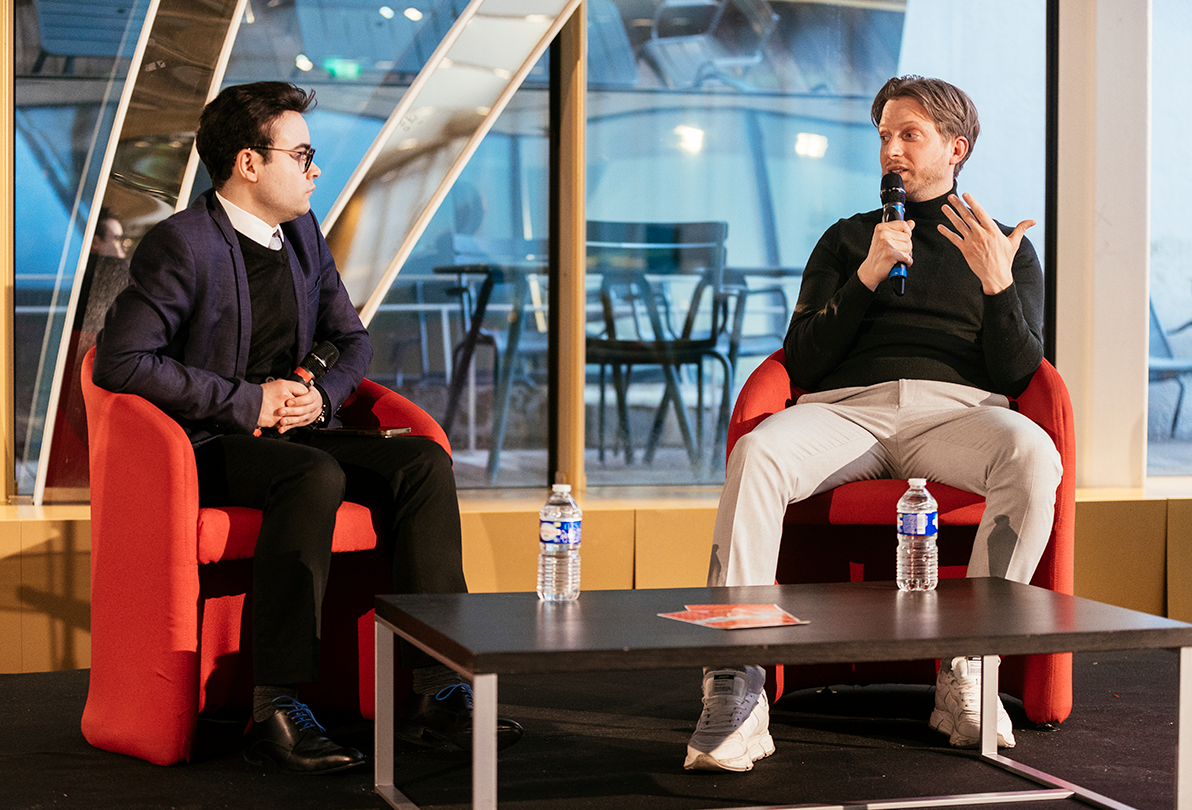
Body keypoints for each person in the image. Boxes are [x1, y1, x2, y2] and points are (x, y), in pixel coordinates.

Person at [92, 81, 521, 775]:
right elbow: (122, 362)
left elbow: (353, 342)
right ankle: (274, 710)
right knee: (312, 473)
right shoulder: (182, 245)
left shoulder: (301, 234)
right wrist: (246, 402)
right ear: (249, 164)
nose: (316, 169)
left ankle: (435, 689)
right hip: (207, 444)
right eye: (303, 154)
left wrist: (318, 397)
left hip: (298, 429)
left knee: (422, 465)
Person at [684, 75, 1064, 773]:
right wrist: (866, 276)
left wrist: (998, 286)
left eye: (908, 135)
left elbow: (1018, 375)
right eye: (884, 135)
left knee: (1035, 456)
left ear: (956, 147)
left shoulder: (1003, 244)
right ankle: (736, 680)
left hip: (955, 413)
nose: (891, 149)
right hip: (846, 411)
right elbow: (801, 359)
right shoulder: (847, 239)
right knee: (759, 454)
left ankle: (968, 672)